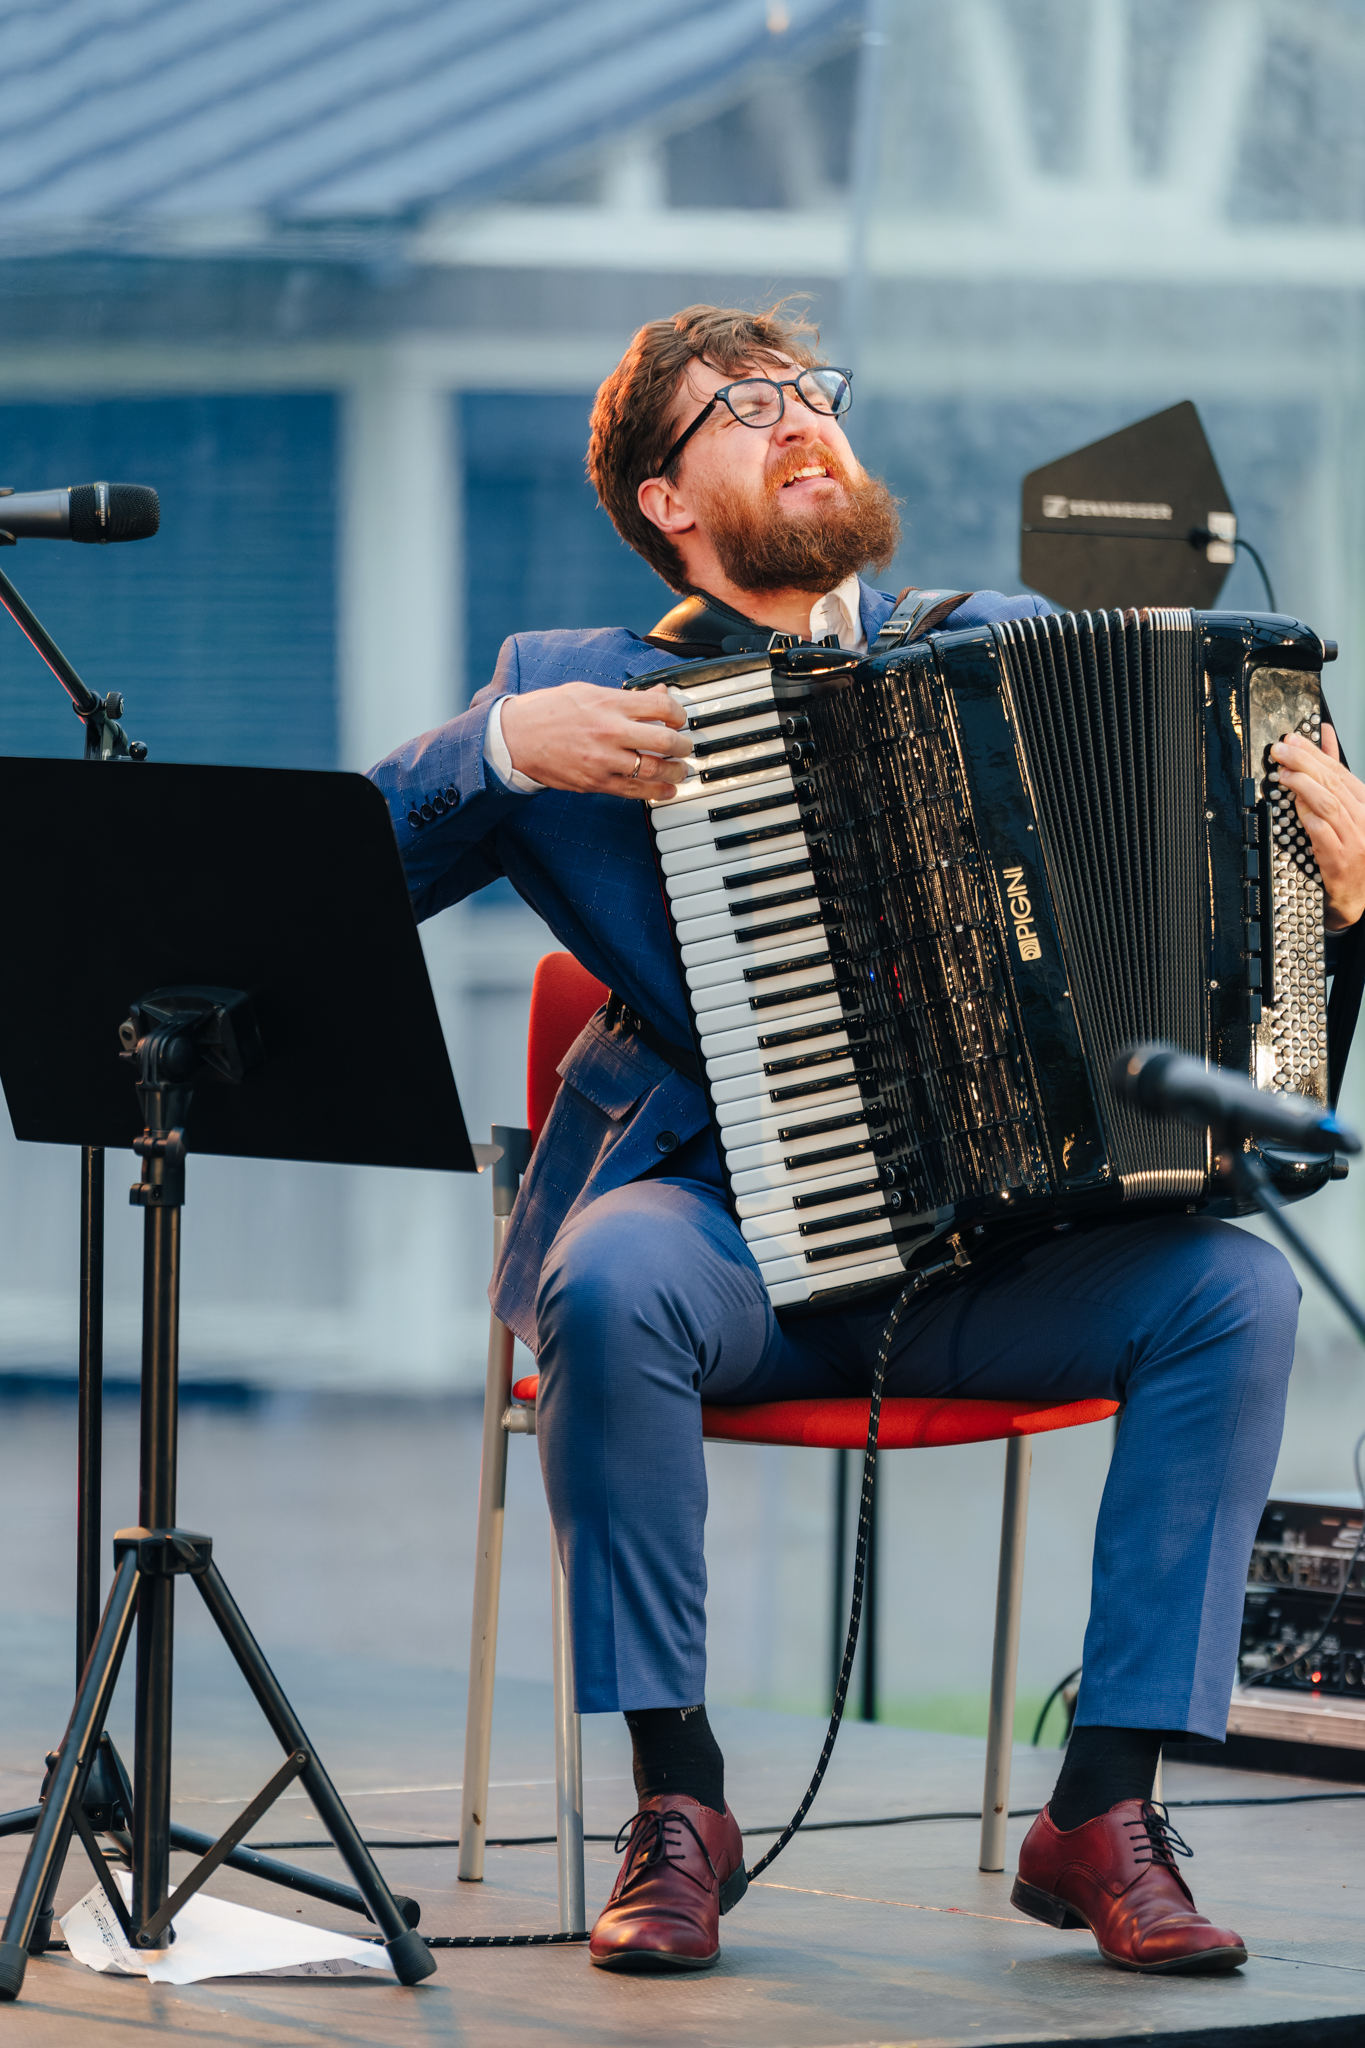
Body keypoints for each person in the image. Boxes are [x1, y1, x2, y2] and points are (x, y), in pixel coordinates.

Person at [369, 302, 1365, 1978]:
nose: (798, 417)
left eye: (809, 391)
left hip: (990, 1260)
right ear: (665, 500)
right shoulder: (573, 690)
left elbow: (1239, 1006)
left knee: (1233, 1292)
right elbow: (345, 878)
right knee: (606, 1280)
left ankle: (1101, 1810)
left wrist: (1340, 903)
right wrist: (493, 752)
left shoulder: (1010, 641)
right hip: (725, 1243)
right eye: (744, 405)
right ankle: (678, 1802)